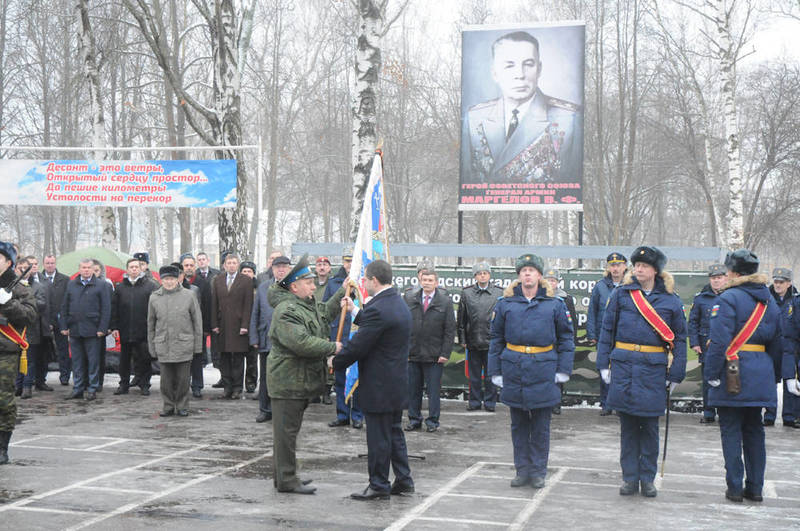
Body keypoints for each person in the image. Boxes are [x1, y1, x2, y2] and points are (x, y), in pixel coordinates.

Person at [596, 246, 687, 498]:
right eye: (636, 265)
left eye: (644, 266)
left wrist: (676, 373)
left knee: (649, 428)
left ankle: (647, 479)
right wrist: (603, 364)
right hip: (624, 368)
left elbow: (680, 340)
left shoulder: (671, 300)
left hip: (653, 371)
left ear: (655, 270)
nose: (638, 269)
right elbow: (607, 332)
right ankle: (629, 478)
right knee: (627, 428)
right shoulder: (622, 295)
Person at [704, 249, 786, 503]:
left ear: (735, 273)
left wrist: (711, 374)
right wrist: (771, 375)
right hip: (760, 370)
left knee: (730, 431)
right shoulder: (769, 300)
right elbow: (778, 342)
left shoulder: (727, 299)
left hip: (733, 370)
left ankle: (735, 489)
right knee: (754, 432)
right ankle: (755, 488)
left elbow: (719, 341)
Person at [487, 254, 574, 489]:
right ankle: (522, 470)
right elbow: (496, 339)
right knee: (518, 425)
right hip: (513, 368)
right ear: (518, 276)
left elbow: (566, 338)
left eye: (531, 270)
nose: (527, 274)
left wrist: (563, 370)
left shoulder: (554, 304)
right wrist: (495, 371)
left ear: (539, 276)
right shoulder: (505, 304)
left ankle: (537, 471)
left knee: (540, 426)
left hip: (543, 369)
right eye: (523, 270)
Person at [333, 260, 414, 500]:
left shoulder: (379, 308)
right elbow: (377, 326)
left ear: (375, 281)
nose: (364, 284)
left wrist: (334, 361)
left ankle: (378, 484)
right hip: (395, 383)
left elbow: (360, 343)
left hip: (379, 385)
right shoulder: (396, 302)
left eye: (366, 279)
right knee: (394, 433)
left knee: (379, 437)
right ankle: (403, 479)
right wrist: (355, 311)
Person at [461, 30, 582, 185]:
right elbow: (469, 183)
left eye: (528, 64)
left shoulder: (570, 119)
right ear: (495, 73)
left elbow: (570, 186)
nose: (520, 74)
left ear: (539, 69)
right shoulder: (474, 118)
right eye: (509, 65)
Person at [267, 255, 344, 494]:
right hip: (287, 381)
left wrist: (344, 291)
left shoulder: (305, 305)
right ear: (294, 287)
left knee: (288, 433)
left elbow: (326, 314)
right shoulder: (286, 310)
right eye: (309, 283)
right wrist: (333, 347)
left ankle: (284, 477)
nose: (313, 287)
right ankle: (287, 480)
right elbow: (301, 342)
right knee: (286, 435)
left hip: (296, 381)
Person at [147, 265, 203, 417]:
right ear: (161, 280)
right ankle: (168, 406)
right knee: (165, 381)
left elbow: (197, 322)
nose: (169, 282)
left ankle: (182, 405)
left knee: (183, 380)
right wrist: (152, 347)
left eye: (172, 279)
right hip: (163, 344)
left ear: (178, 279)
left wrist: (197, 346)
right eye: (166, 279)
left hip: (184, 344)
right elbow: (150, 324)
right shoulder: (154, 297)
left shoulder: (189, 295)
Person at [405, 267, 456, 433]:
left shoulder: (445, 302)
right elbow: (404, 326)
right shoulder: (410, 299)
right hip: (413, 353)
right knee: (413, 390)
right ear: (420, 281)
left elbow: (449, 330)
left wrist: (445, 353)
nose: (427, 283)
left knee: (433, 391)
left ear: (436, 282)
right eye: (424, 280)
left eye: (430, 280)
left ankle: (432, 421)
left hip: (435, 356)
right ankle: (414, 419)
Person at [0, 241, 37, 464]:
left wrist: (8, 302)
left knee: (3, 400)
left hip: (5, 350)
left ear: (9, 262)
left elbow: (29, 316)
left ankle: (2, 447)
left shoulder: (19, 288)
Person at [59, 258, 111, 401]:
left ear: (93, 269)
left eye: (89, 267)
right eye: (83, 267)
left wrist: (102, 328)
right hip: (75, 329)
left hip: (93, 330)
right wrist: (63, 325)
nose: (86, 270)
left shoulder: (101, 285)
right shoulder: (71, 284)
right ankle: (78, 389)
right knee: (76, 361)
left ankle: (92, 389)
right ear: (79, 269)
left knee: (93, 362)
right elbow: (64, 306)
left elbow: (106, 309)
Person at [457, 261, 503, 412]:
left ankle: (490, 403)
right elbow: (461, 319)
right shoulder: (466, 293)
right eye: (479, 273)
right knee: (474, 376)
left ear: (489, 275)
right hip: (473, 341)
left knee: (491, 376)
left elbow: (504, 319)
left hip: (492, 342)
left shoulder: (499, 293)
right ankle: (474, 402)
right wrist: (463, 340)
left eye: (485, 273)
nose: (482, 275)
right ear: (475, 276)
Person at [250, 257, 291, 423]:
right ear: (272, 269)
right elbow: (255, 313)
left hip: (288, 342)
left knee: (285, 377)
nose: (280, 270)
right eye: (277, 267)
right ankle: (265, 410)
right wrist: (254, 336)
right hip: (266, 340)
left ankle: (284, 411)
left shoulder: (294, 287)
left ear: (289, 269)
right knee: (266, 377)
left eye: (284, 267)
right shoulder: (263, 287)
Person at [324, 248, 362, 427]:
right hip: (338, 336)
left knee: (357, 378)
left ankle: (357, 416)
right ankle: (342, 414)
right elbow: (326, 309)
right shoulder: (334, 284)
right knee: (340, 378)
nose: (349, 265)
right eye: (347, 262)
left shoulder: (364, 284)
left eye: (352, 262)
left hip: (357, 336)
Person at [587, 252, 627, 416]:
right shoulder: (600, 286)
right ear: (608, 267)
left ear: (625, 266)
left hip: (625, 335)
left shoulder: (631, 285)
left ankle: (621, 404)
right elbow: (592, 311)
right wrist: (592, 334)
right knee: (604, 368)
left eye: (618, 265)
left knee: (623, 370)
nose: (615, 268)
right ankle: (606, 403)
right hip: (604, 335)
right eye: (612, 265)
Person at [111, 258, 158, 396]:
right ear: (127, 269)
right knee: (124, 360)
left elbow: (154, 308)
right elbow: (115, 309)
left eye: (136, 267)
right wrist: (114, 327)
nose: (134, 269)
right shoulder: (120, 287)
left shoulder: (150, 286)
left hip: (143, 330)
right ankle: (123, 385)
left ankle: (144, 384)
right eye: (131, 267)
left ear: (141, 269)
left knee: (144, 359)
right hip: (125, 330)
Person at [210, 253, 254, 399]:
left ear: (238, 265)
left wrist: (245, 325)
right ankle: (227, 388)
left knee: (238, 359)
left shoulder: (246, 281)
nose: (231, 265)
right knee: (224, 358)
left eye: (234, 263)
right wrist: (214, 324)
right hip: (222, 325)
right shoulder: (218, 280)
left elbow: (248, 305)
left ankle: (237, 388)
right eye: (228, 263)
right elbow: (214, 303)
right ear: (224, 265)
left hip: (239, 326)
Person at [688, 264, 727, 424]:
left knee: (726, 379)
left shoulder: (731, 296)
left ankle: (725, 412)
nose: (716, 281)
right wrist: (695, 343)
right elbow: (693, 322)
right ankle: (709, 412)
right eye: (713, 278)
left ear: (726, 278)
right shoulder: (701, 298)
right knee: (707, 381)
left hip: (726, 347)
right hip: (706, 346)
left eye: (719, 278)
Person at [762, 268, 799, 427]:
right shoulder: (766, 300)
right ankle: (769, 415)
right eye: (775, 281)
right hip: (772, 346)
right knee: (770, 381)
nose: (777, 285)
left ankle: (790, 416)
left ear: (789, 283)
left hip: (791, 346)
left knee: (790, 380)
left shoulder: (796, 300)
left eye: (781, 282)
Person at [544, 268, 577, 415]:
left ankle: (556, 403)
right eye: (548, 280)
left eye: (554, 280)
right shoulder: (539, 297)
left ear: (558, 282)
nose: (551, 283)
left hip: (560, 343)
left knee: (558, 373)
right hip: (543, 342)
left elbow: (572, 324)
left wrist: (570, 341)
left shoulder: (566, 298)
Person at [18, 257, 52, 398]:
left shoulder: (38, 287)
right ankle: (17, 385)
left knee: (29, 360)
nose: (23, 270)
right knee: (15, 360)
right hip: (13, 330)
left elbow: (41, 305)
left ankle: (27, 386)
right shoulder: (9, 284)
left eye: (26, 267)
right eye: (20, 267)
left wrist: (22, 303)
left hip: (31, 329)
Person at [42, 254, 71, 386]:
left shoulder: (65, 280)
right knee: (42, 350)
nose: (50, 265)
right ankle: (40, 378)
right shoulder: (38, 279)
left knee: (63, 350)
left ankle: (64, 376)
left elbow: (68, 301)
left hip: (61, 321)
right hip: (43, 321)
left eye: (52, 263)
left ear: (55, 264)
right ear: (43, 264)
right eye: (47, 263)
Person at [239, 260, 259, 393]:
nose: (246, 274)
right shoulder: (236, 287)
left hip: (254, 327)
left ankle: (251, 382)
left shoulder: (258, 289)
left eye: (249, 271)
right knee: (238, 358)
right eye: (244, 271)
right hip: (239, 326)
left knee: (252, 358)